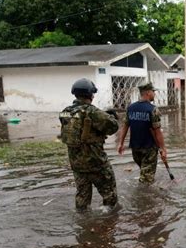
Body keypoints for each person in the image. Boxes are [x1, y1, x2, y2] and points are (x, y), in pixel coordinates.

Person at [59, 78, 119, 211]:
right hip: (96, 163)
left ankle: (83, 226)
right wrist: (112, 117)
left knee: (82, 198)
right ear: (91, 95)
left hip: (77, 164)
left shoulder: (65, 112)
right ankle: (109, 222)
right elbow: (113, 127)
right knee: (110, 196)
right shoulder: (93, 112)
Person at [117, 83, 167, 184]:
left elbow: (125, 126)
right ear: (148, 93)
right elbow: (158, 132)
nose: (154, 94)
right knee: (146, 180)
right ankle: (144, 198)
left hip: (135, 149)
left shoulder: (131, 108)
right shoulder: (153, 109)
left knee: (144, 173)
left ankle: (143, 192)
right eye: (153, 92)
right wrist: (163, 149)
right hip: (149, 149)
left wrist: (120, 143)